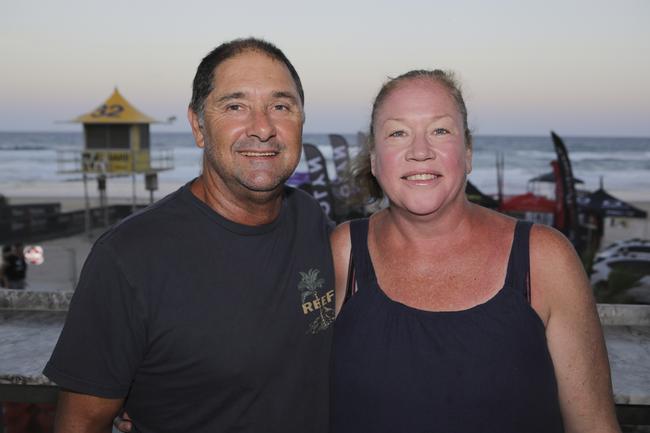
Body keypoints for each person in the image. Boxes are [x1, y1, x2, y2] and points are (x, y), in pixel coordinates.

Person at [44, 38, 334, 433]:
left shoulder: (313, 220)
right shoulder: (128, 259)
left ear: (301, 120)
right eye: (235, 106)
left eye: (281, 106)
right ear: (198, 126)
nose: (263, 127)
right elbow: (81, 423)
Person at [330, 70, 621, 432]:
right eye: (398, 133)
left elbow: (594, 426)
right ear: (374, 160)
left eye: (440, 130)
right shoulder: (343, 254)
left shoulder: (544, 259)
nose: (420, 151)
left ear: (467, 153)